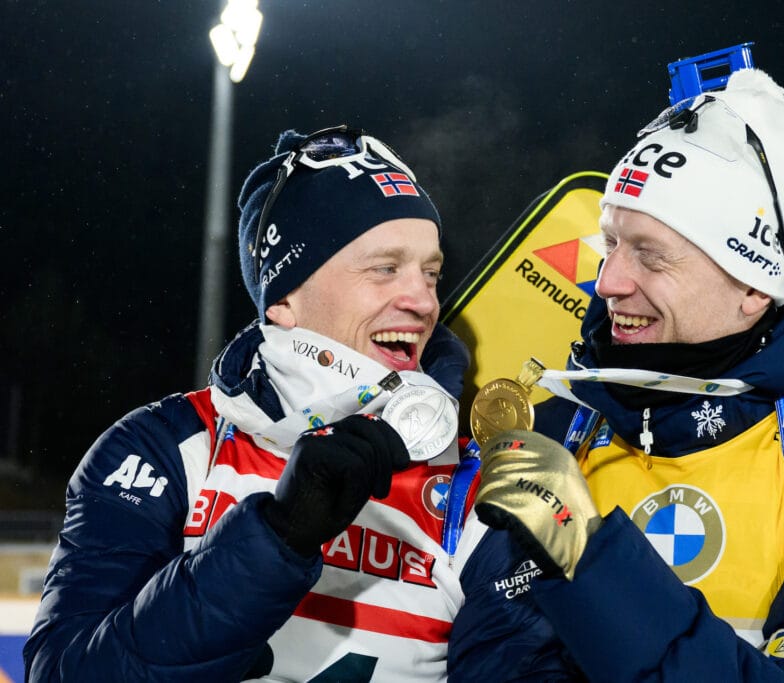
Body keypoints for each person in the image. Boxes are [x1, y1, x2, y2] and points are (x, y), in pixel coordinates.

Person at [448, 68, 784, 682]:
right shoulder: (551, 435)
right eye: (610, 245)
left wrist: (586, 553)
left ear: (753, 285)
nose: (608, 283)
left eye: (651, 255)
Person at [24, 125, 490, 682]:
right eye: (384, 269)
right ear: (286, 298)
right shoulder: (166, 449)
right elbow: (63, 674)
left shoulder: (470, 485)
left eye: (431, 273)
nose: (422, 301)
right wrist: (275, 538)